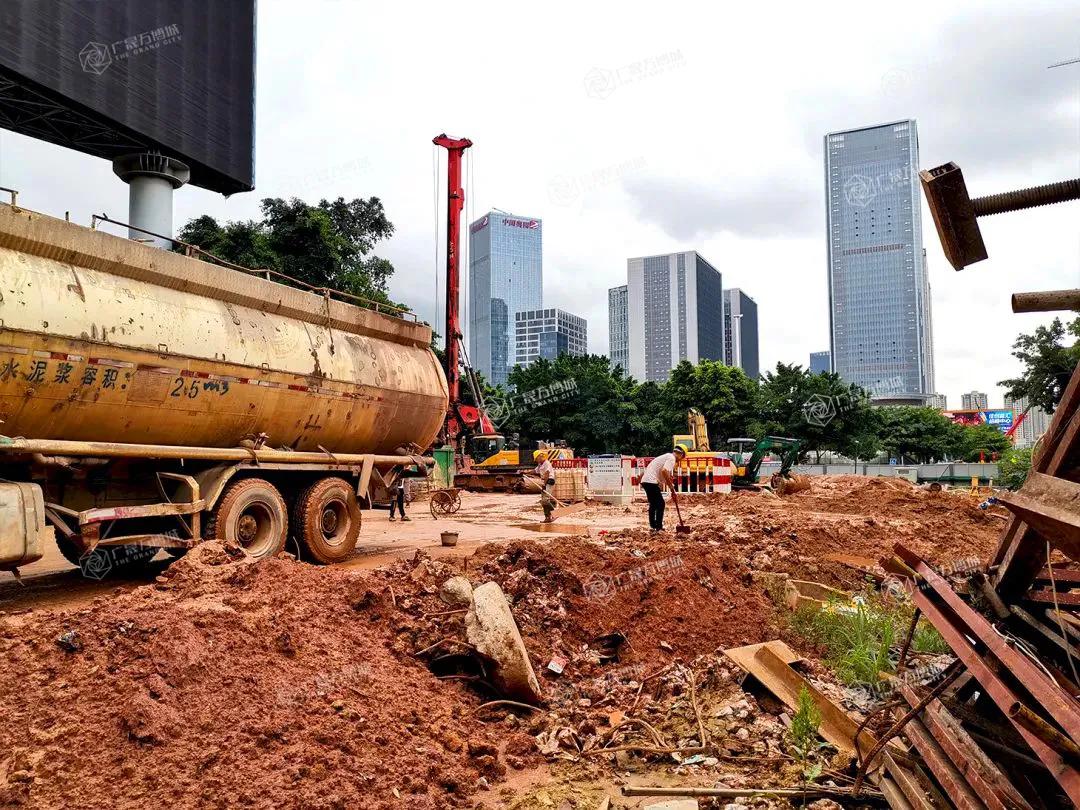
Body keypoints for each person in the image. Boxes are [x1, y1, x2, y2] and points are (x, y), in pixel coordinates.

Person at [640, 446, 686, 532]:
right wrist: (672, 489)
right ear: (681, 454)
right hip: (650, 481)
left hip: (646, 481)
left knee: (653, 504)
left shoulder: (667, 456)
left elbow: (662, 474)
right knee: (660, 504)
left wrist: (668, 479)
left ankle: (653, 526)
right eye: (682, 458)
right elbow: (664, 471)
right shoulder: (672, 458)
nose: (679, 460)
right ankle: (658, 527)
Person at [389, 458, 429, 522]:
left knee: (400, 503)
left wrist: (420, 465)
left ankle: (403, 515)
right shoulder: (397, 471)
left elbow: (419, 474)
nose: (409, 466)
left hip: (400, 488)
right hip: (395, 489)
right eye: (407, 465)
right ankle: (392, 516)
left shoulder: (404, 472)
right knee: (394, 502)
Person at [532, 450, 557, 522]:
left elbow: (547, 474)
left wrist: (544, 485)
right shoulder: (540, 465)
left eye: (536, 459)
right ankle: (547, 517)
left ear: (540, 456)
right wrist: (525, 472)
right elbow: (535, 471)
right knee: (543, 502)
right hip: (544, 483)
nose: (536, 461)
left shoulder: (547, 463)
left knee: (545, 500)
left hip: (549, 482)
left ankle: (555, 513)